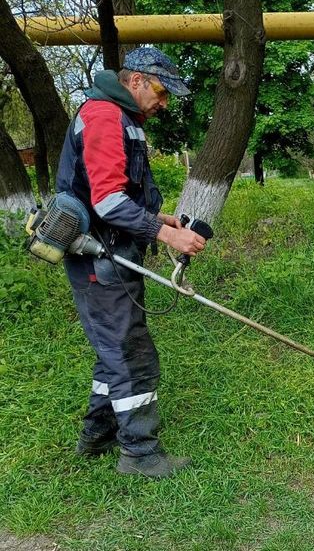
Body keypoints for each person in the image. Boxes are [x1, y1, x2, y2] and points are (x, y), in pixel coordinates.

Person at [55, 47, 207, 479]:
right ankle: (140, 454)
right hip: (98, 255)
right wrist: (167, 233)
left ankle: (98, 435)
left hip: (110, 249)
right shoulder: (104, 116)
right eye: (161, 91)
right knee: (128, 351)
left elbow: (111, 192)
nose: (164, 103)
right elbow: (107, 201)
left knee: (112, 348)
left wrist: (155, 216)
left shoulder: (122, 118)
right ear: (135, 81)